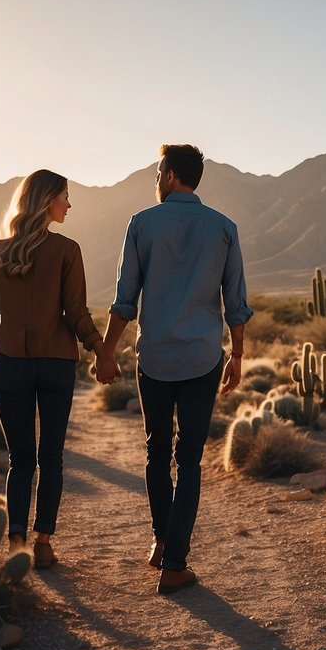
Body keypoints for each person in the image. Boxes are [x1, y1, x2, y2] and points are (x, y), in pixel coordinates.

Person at [98, 144, 252, 594]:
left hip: (156, 357)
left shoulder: (141, 224)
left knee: (155, 451)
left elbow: (125, 299)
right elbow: (236, 304)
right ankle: (174, 564)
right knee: (189, 460)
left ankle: (161, 542)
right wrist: (238, 355)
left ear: (168, 175)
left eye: (156, 171)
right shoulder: (224, 228)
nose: (155, 178)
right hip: (203, 358)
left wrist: (106, 351)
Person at [0, 169, 114, 569]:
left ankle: (16, 542)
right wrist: (101, 350)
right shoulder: (67, 250)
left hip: (9, 364)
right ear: (46, 201)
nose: (69, 205)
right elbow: (75, 312)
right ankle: (43, 542)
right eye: (65, 197)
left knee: (19, 459)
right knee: (50, 456)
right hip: (56, 364)